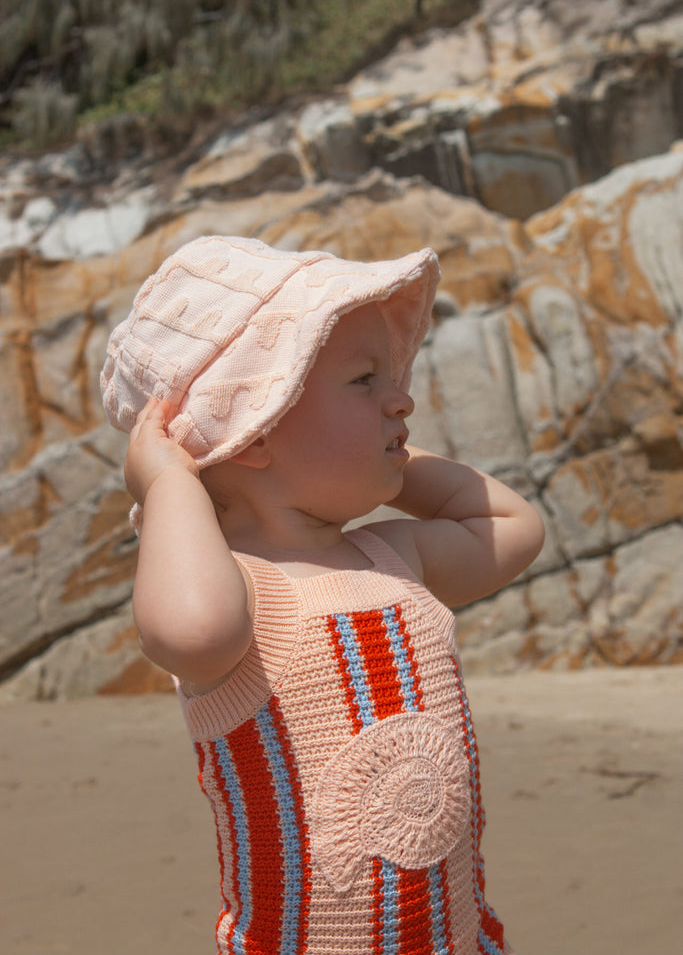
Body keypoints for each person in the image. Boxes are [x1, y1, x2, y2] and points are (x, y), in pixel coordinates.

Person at [101, 234, 545, 955]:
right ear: (252, 432)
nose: (400, 398)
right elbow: (189, 632)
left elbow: (512, 527)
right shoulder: (239, 592)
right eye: (364, 381)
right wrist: (172, 482)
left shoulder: (391, 557)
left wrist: (392, 453)